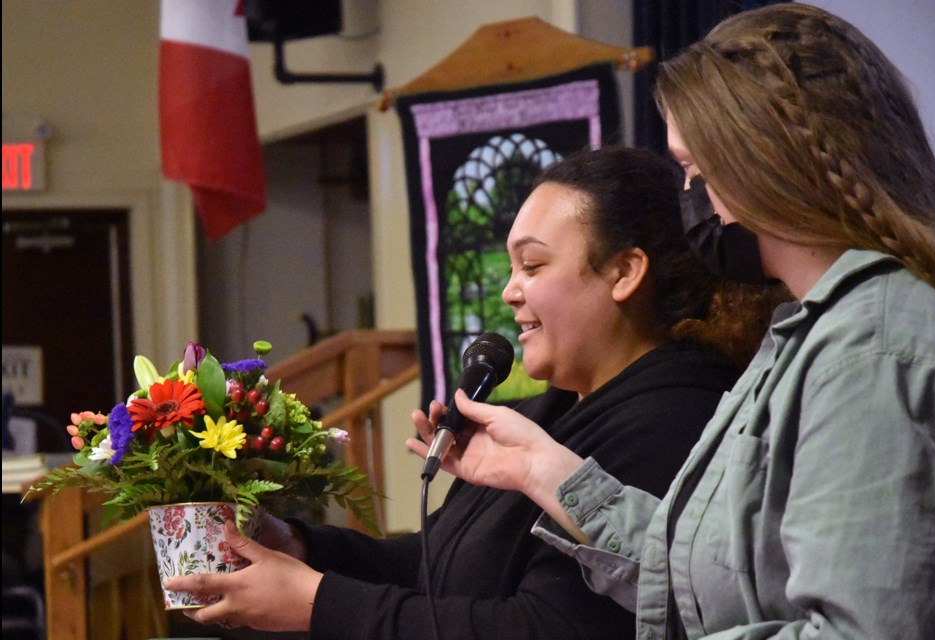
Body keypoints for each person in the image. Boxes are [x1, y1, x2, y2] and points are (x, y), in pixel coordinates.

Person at [409, 4, 935, 639]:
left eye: (696, 171)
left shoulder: (869, 349)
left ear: (761, 162)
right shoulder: (806, 337)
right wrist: (541, 469)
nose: (695, 199)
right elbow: (710, 584)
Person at [165, 147, 771, 638]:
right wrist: (302, 547)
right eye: (511, 269)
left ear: (623, 272)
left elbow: (546, 627)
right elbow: (443, 570)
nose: (509, 292)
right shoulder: (551, 410)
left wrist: (319, 604)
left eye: (532, 267)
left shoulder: (675, 417)